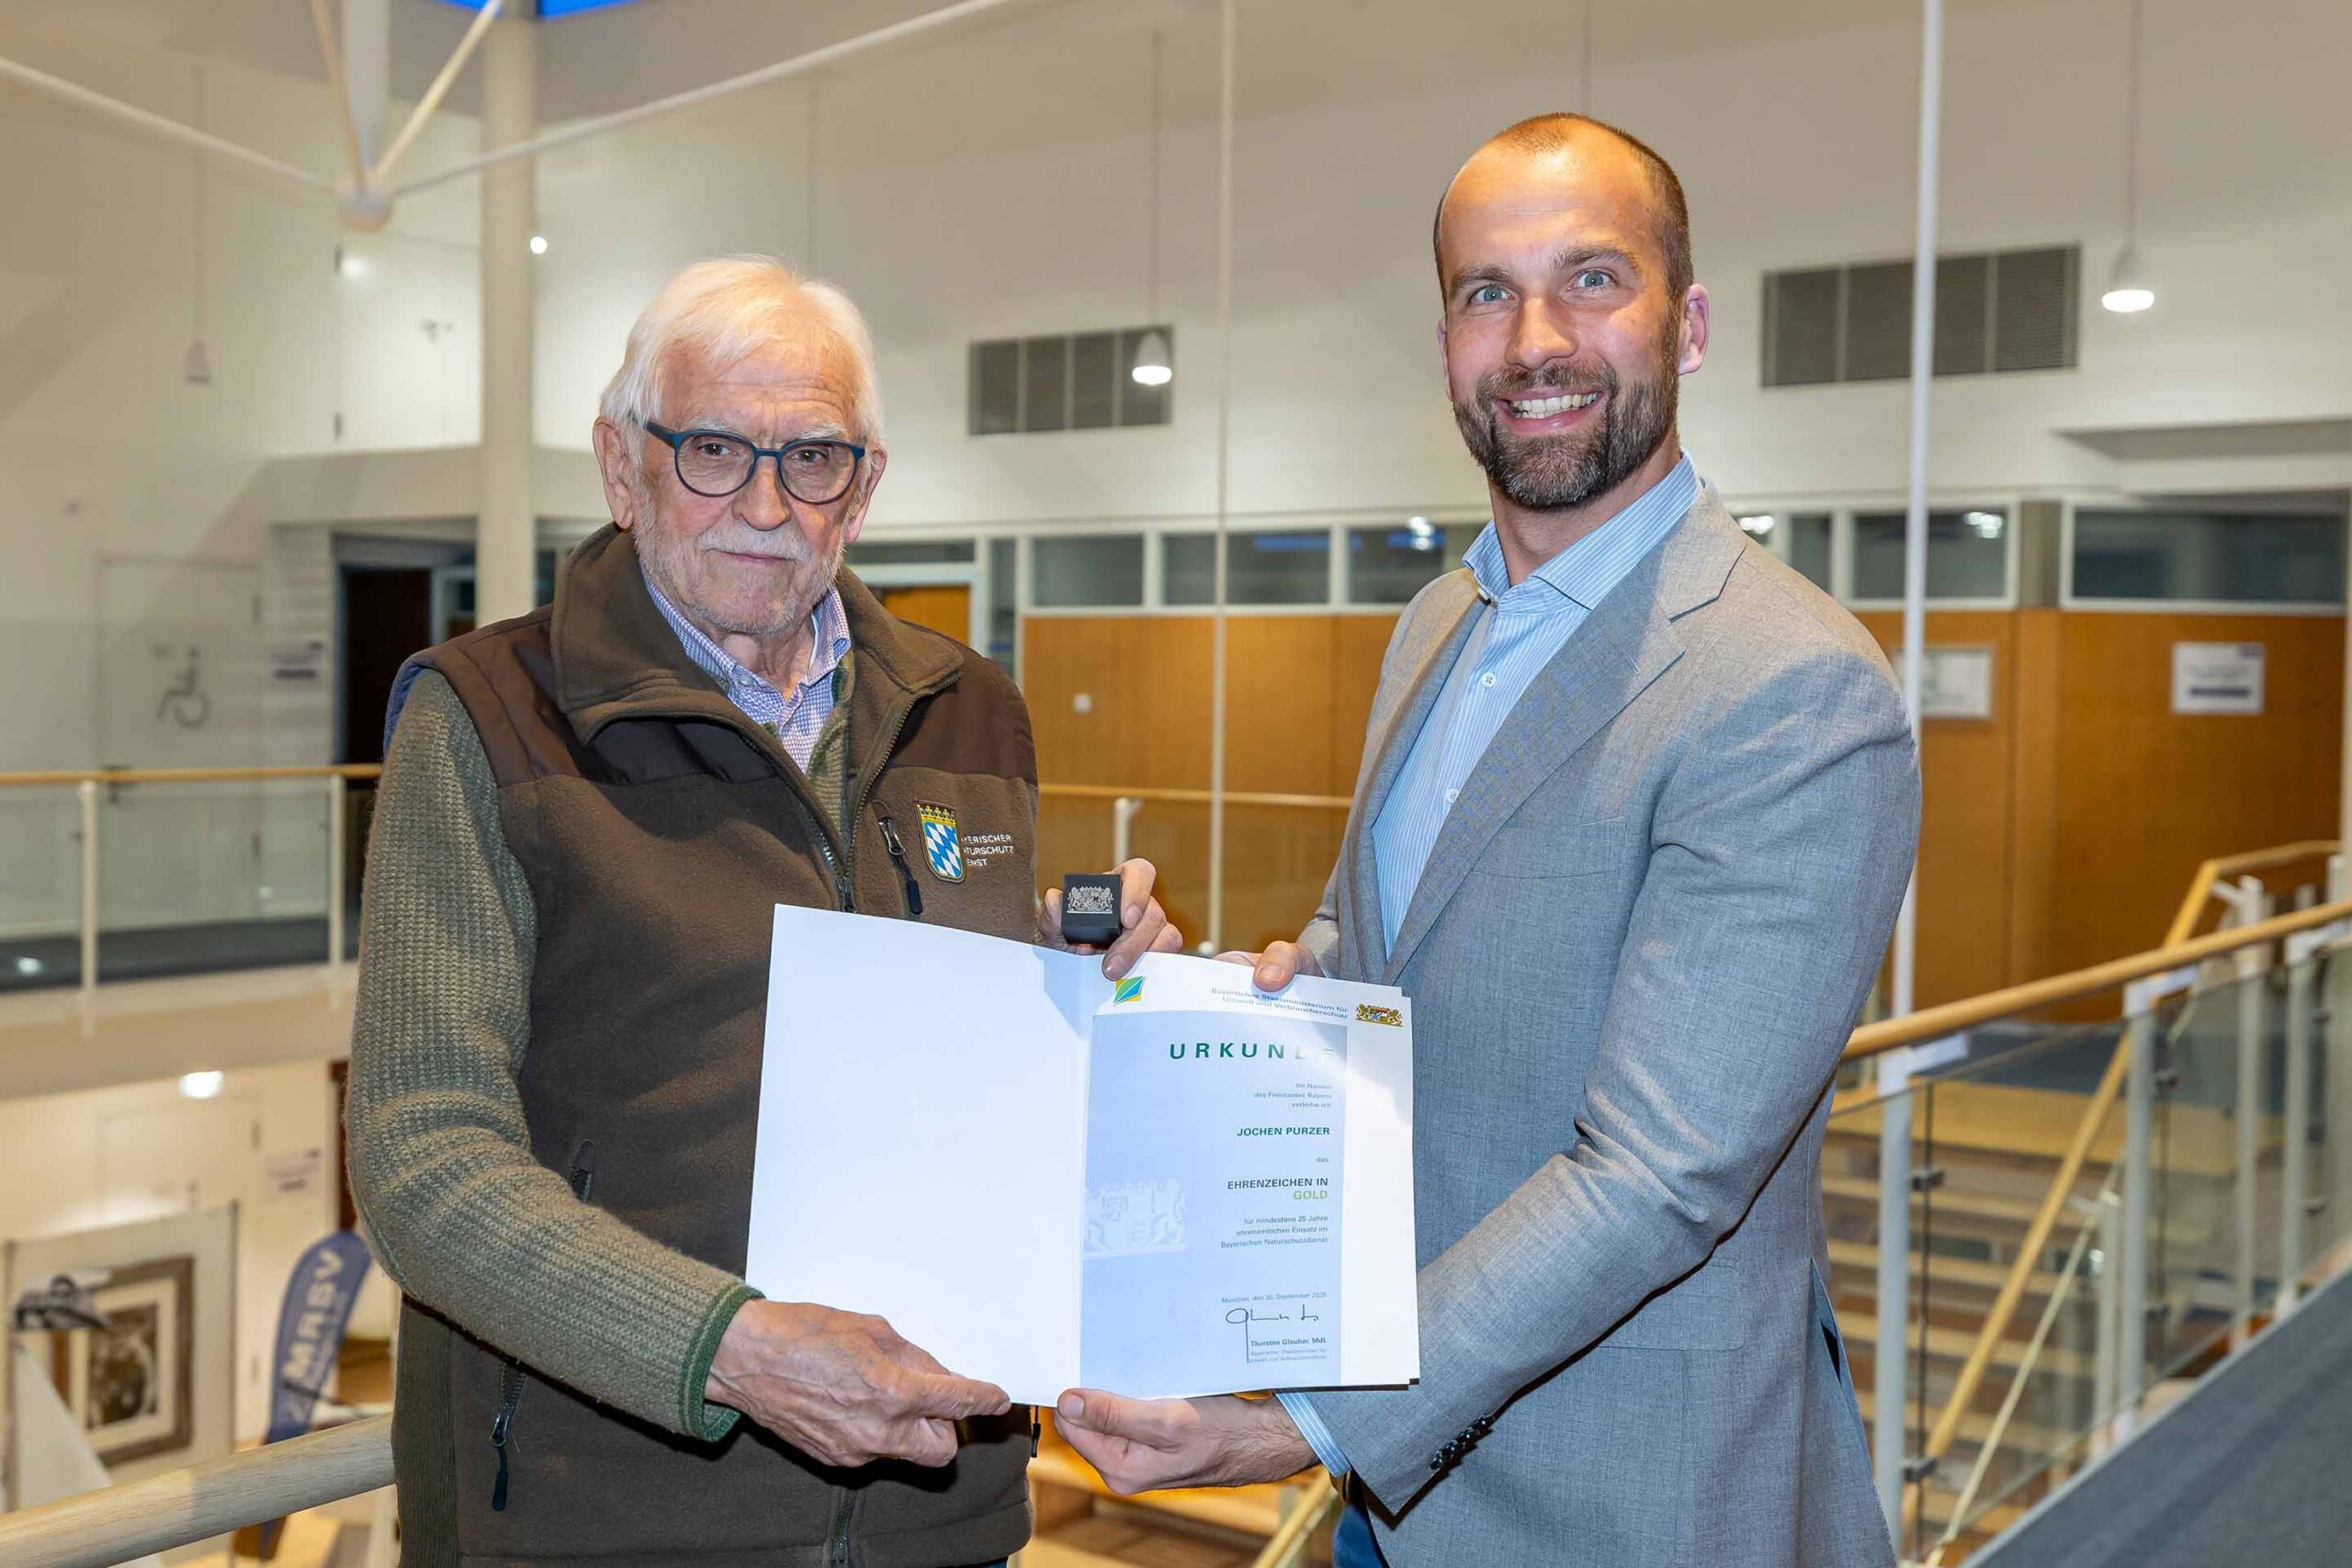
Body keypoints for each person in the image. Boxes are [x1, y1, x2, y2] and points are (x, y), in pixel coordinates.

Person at [1051, 114, 1920, 1568]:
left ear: (1690, 324)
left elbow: (1658, 1176)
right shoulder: (1439, 625)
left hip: (1624, 1502)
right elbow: (1377, 950)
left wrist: (1301, 1422)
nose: (1537, 339)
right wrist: (1198, 993)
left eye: (1594, 279)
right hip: (1402, 1497)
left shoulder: (1792, 685)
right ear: (1448, 340)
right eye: (1485, 292)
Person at [345, 255, 1182, 1568]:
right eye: (715, 451)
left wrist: (1080, 979)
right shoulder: (487, 718)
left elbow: (963, 1068)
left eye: (814, 458)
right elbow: (420, 1158)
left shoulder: (967, 709)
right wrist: (724, 1349)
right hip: (608, 1525)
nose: (766, 504)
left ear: (867, 483)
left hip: (939, 1520)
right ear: (622, 467)